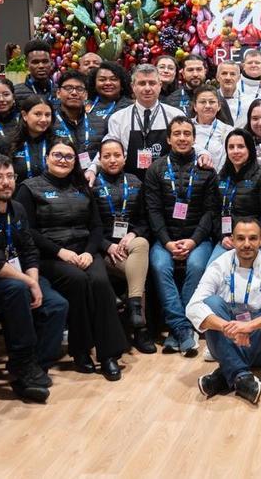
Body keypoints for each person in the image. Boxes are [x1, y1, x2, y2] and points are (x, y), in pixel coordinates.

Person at [15, 138, 127, 380]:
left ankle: (109, 354)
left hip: (85, 250)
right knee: (77, 281)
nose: (63, 160)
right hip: (49, 256)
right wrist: (60, 252)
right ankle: (81, 351)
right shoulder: (29, 187)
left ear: (75, 161)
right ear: (47, 158)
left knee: (99, 282)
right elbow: (28, 232)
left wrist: (89, 251)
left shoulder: (82, 186)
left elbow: (96, 226)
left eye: (68, 156)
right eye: (57, 155)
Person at [0, 154, 67, 402]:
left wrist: (34, 278)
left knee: (57, 305)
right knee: (16, 291)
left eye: (10, 176)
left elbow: (29, 250)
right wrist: (29, 283)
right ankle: (22, 363)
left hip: (15, 278)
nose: (6, 182)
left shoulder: (17, 209)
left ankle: (34, 366)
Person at [189, 218, 261, 405]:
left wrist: (250, 326)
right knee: (211, 302)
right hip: (229, 338)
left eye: (252, 238)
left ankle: (225, 373)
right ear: (232, 240)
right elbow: (193, 306)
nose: (246, 244)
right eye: (240, 238)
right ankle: (241, 376)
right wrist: (227, 327)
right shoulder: (219, 264)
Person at [144, 116, 219, 357]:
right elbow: (153, 211)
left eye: (187, 133)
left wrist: (193, 241)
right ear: (168, 138)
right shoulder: (156, 169)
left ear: (195, 138)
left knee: (197, 265)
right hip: (165, 239)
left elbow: (210, 212)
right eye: (177, 133)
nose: (182, 138)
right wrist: (166, 242)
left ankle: (178, 331)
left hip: (197, 239)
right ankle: (183, 328)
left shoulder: (206, 170)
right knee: (159, 265)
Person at [93, 138, 154, 354]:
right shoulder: (90, 185)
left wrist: (133, 233)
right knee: (137, 270)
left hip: (131, 246)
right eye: (107, 156)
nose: (112, 160)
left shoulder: (136, 182)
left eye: (117, 155)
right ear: (99, 159)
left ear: (125, 157)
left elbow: (146, 220)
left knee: (142, 242)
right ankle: (141, 328)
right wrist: (107, 245)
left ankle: (134, 305)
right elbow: (88, 226)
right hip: (103, 252)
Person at [100, 64, 186, 180]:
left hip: (168, 183)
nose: (147, 88)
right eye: (141, 83)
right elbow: (108, 149)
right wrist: (92, 169)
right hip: (130, 185)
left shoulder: (176, 115)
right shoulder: (118, 118)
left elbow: (190, 144)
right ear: (133, 86)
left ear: (160, 85)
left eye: (152, 83)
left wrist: (202, 154)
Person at [211, 129, 261, 265]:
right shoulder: (221, 177)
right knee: (212, 270)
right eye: (231, 147)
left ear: (250, 149)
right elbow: (214, 211)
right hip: (228, 240)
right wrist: (222, 236)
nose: (235, 151)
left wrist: (247, 239)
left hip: (257, 241)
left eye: (241, 146)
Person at [54, 70, 106, 172]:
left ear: (86, 95)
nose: (74, 93)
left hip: (91, 180)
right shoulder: (49, 122)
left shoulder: (100, 123)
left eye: (79, 89)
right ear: (58, 93)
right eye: (68, 88)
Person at [7, 95, 56, 185]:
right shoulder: (8, 142)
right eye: (38, 114)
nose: (44, 119)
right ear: (24, 115)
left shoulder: (57, 143)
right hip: (17, 196)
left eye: (48, 115)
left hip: (52, 196)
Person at [191, 85, 234, 171]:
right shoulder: (185, 127)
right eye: (203, 102)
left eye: (211, 102)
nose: (207, 106)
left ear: (219, 106)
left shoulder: (227, 131)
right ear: (195, 106)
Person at [14, 39, 57, 105]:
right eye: (35, 62)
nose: (41, 66)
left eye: (45, 61)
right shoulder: (15, 93)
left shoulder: (60, 91)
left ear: (51, 63)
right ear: (26, 65)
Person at [215, 60, 254, 128]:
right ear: (217, 77)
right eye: (224, 73)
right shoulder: (210, 100)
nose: (228, 78)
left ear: (238, 78)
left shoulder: (249, 102)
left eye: (232, 74)